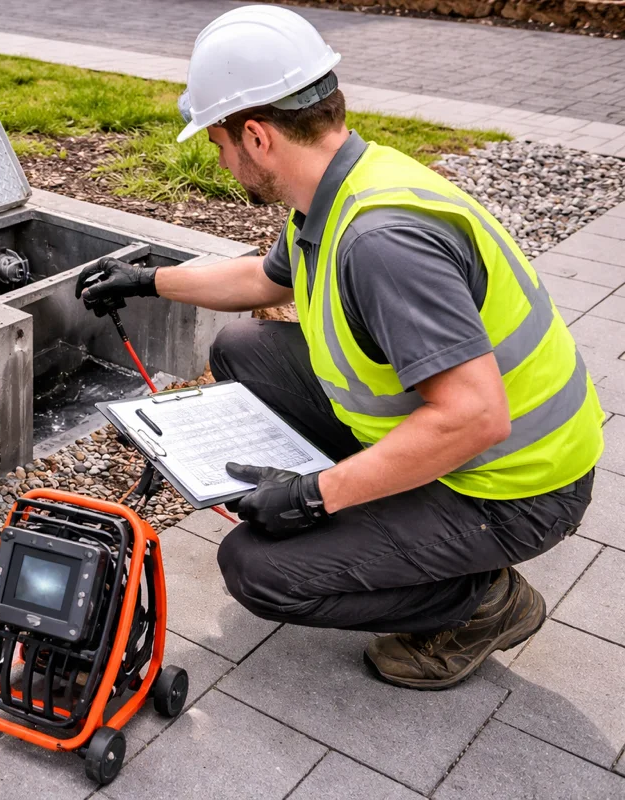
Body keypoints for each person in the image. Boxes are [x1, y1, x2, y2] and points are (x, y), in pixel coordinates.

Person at [76, 4, 602, 690]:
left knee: (257, 570)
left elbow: (476, 417)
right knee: (243, 347)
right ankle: (379, 505)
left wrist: (313, 498)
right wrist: (147, 280)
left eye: (218, 142)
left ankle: (482, 604)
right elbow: (264, 278)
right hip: (468, 441)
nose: (222, 157)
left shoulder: (381, 240)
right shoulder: (338, 186)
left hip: (515, 487)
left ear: (257, 137)